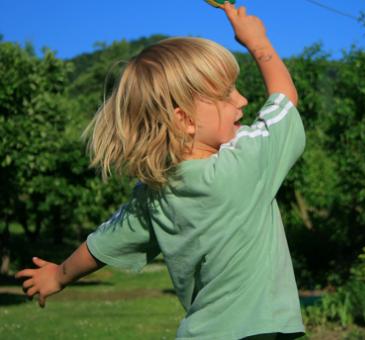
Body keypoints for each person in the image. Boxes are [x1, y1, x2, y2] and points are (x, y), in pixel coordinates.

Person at [15, 3, 307, 339]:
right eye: (225, 94)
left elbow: (100, 245)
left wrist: (58, 276)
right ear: (184, 120)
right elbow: (284, 97)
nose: (241, 100)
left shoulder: (154, 193)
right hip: (260, 332)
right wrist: (258, 41)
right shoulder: (244, 163)